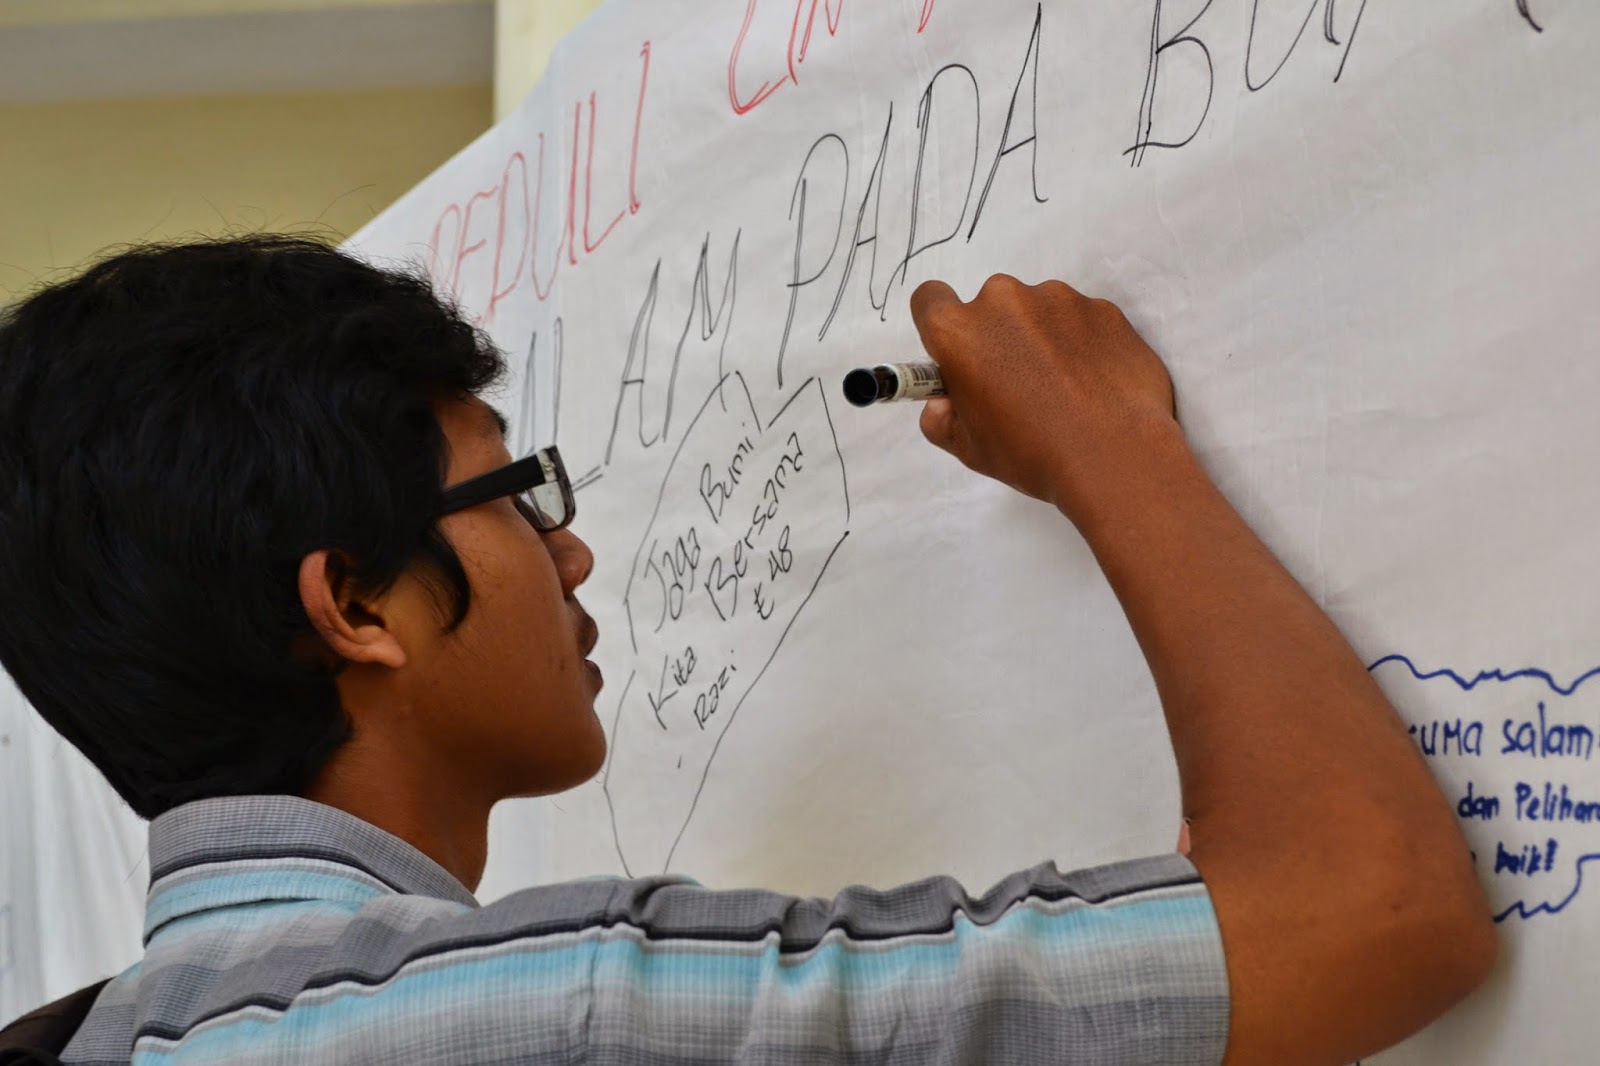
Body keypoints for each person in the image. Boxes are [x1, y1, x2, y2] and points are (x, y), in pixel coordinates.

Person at [0, 236, 1494, 1066]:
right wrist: (1110, 444)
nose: (569, 552)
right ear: (358, 607)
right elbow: (1369, 913)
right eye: (516, 494)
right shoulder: (549, 1014)